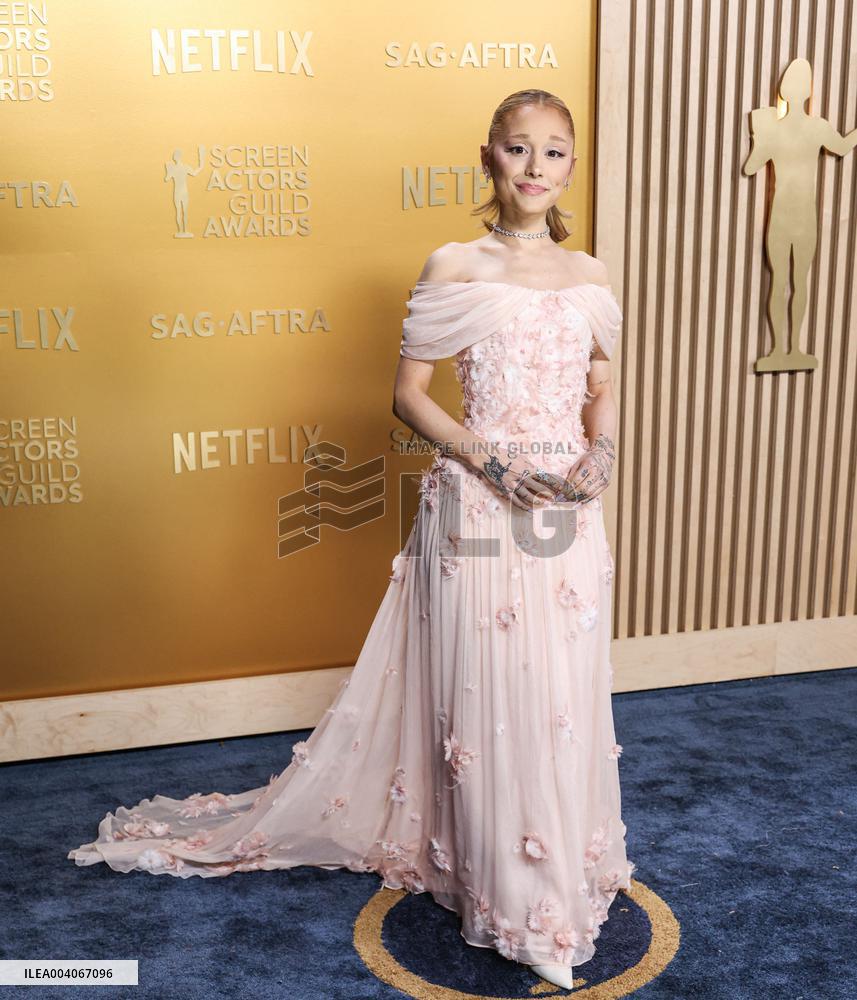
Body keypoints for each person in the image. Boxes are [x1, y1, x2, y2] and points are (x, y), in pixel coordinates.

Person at [68, 88, 634, 992]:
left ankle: (562, 865)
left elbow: (600, 380)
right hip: (480, 505)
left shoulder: (594, 276)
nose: (536, 168)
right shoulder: (454, 264)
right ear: (488, 157)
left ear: (572, 164)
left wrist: (602, 447)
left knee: (560, 691)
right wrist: (489, 462)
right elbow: (407, 396)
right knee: (490, 695)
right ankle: (505, 892)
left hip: (567, 507)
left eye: (555, 152)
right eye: (519, 149)